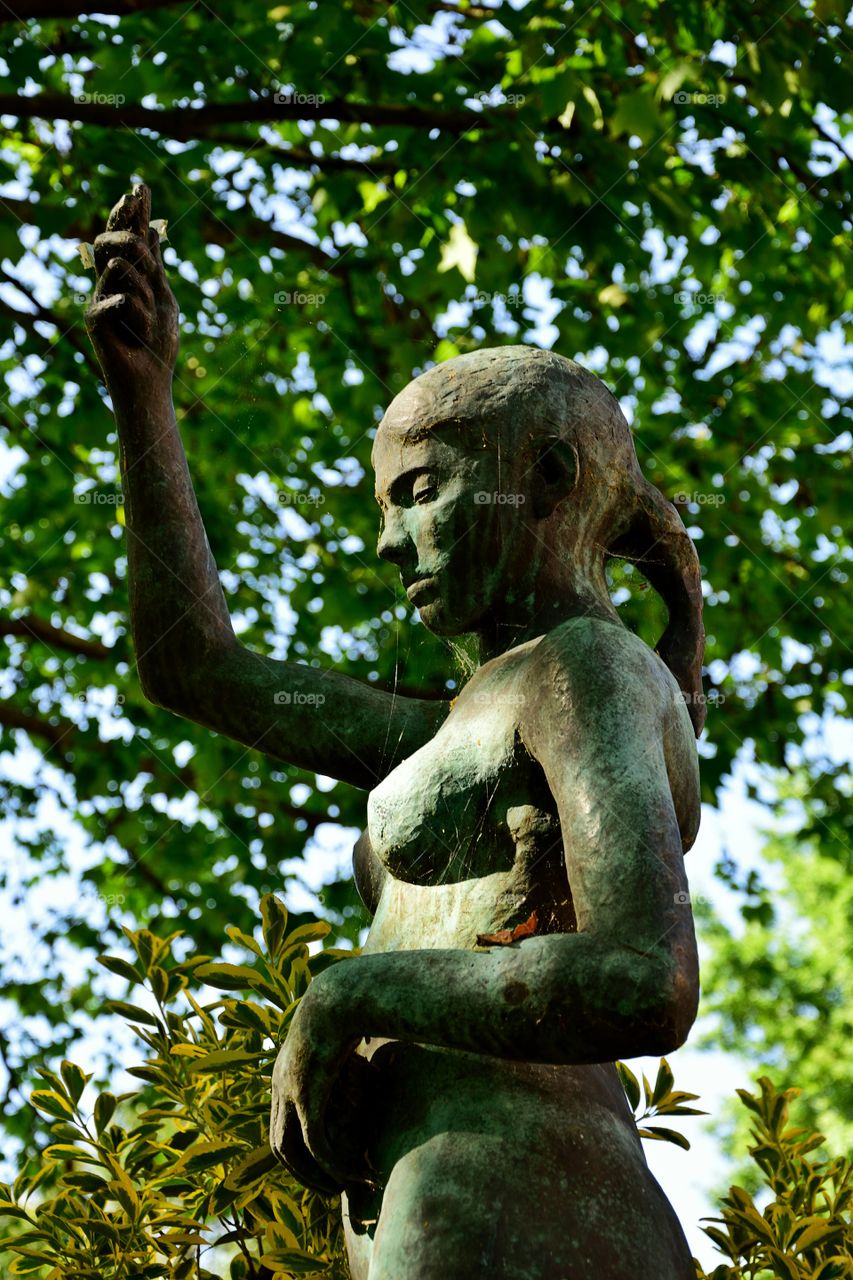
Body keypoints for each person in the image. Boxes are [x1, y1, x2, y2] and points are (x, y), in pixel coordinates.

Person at [86, 182, 705, 1280]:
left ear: (547, 479)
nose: (390, 540)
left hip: (524, 1194)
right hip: (448, 1202)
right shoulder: (459, 718)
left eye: (419, 490)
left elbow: (641, 974)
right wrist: (146, 401)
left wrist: (349, 996)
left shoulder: (584, 669)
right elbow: (193, 666)